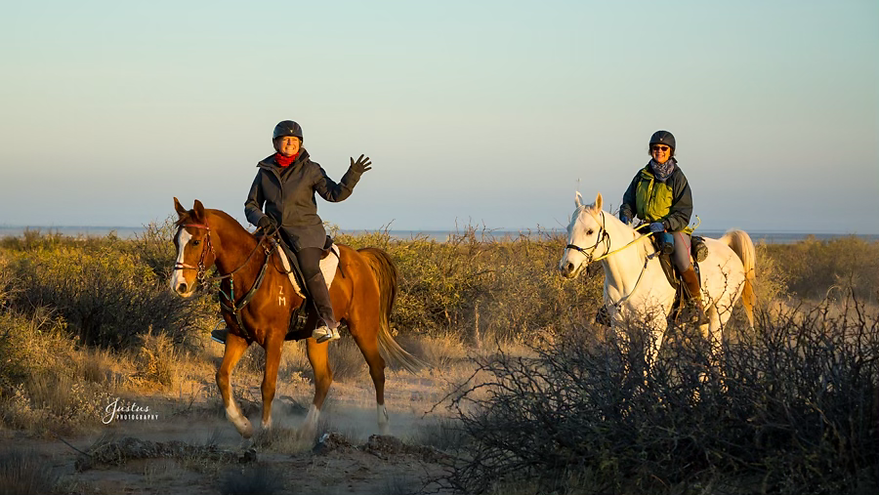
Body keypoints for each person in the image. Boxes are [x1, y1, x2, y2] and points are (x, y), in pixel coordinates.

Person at [211, 120, 372, 344]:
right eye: (285, 139)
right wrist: (262, 218)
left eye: (294, 140)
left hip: (305, 233)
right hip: (271, 232)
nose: (290, 143)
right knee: (239, 261)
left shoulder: (311, 169)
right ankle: (233, 323)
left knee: (308, 266)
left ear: (300, 144)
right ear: (276, 143)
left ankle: (328, 321)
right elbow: (251, 205)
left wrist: (351, 177)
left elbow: (334, 194)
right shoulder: (265, 171)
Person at [618, 130, 708, 325]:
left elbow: (684, 210)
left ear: (671, 151)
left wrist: (666, 224)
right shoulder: (642, 175)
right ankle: (613, 304)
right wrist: (626, 217)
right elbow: (628, 201)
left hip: (673, 229)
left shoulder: (678, 177)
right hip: (646, 227)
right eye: (655, 148)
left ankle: (696, 306)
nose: (659, 151)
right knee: (619, 256)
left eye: (663, 148)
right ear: (651, 150)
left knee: (683, 262)